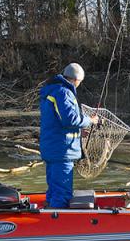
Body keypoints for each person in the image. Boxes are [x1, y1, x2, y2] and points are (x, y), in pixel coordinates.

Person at [39, 63, 98, 208]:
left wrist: (78, 132)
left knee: (53, 189)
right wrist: (90, 120)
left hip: (52, 147)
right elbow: (70, 119)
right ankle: (56, 222)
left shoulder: (52, 91)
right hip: (62, 151)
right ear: (76, 79)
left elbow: (57, 122)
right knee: (62, 192)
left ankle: (47, 215)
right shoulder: (63, 92)